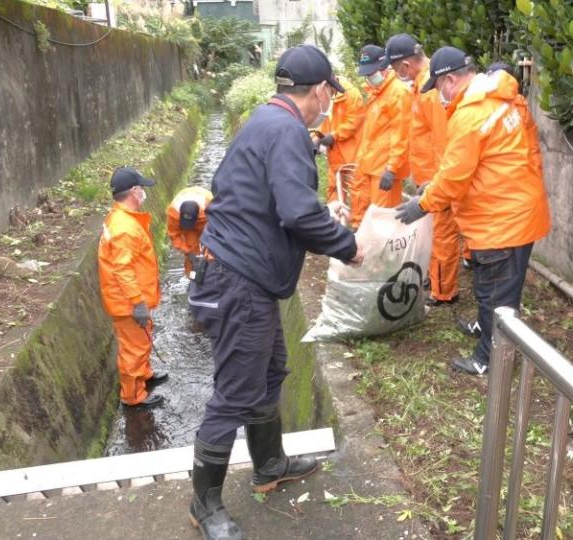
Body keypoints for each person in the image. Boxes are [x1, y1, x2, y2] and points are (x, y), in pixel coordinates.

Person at [185, 45, 364, 540]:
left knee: (271, 369)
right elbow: (298, 214)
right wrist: (347, 247)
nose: (331, 100)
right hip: (239, 281)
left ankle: (269, 464)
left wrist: (314, 218)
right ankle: (205, 505)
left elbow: (239, 188)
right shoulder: (286, 130)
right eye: (332, 91)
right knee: (235, 392)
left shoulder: (265, 120)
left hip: (244, 277)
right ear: (322, 89)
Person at [395, 47, 551, 376]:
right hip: (510, 211)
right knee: (488, 285)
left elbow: (454, 176)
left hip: (502, 222)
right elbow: (468, 164)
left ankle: (489, 361)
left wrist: (421, 205)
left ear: (450, 80)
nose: (438, 97)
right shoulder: (502, 99)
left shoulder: (471, 114)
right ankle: (484, 328)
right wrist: (431, 188)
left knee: (498, 296)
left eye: (438, 88)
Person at [385, 33, 460, 307]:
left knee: (442, 236)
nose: (395, 75)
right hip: (430, 178)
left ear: (405, 65)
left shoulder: (431, 91)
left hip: (436, 180)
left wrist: (434, 183)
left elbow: (444, 139)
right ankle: (436, 280)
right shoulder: (423, 86)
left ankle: (444, 291)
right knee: (434, 234)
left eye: (395, 70)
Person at [97, 167, 168, 408]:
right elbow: (123, 269)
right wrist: (137, 302)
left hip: (131, 299)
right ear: (134, 192)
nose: (144, 193)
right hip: (128, 303)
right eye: (142, 189)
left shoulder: (121, 218)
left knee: (141, 340)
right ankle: (133, 397)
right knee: (133, 349)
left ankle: (144, 375)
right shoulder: (124, 228)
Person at [349, 44, 411, 227]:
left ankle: (384, 256)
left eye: (372, 72)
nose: (369, 77)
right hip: (368, 165)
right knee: (364, 218)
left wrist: (391, 169)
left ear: (384, 67)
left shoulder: (398, 92)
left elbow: (401, 134)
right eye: (366, 74)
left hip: (384, 172)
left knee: (383, 223)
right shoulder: (376, 93)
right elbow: (372, 134)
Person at [316, 74, 366, 223]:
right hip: (335, 155)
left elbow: (354, 122)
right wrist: (317, 137)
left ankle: (358, 225)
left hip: (352, 153)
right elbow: (324, 122)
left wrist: (334, 136)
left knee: (356, 190)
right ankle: (335, 223)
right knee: (333, 188)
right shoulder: (326, 98)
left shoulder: (352, 95)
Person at [167, 185, 212, 278]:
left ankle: (212, 275)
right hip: (186, 220)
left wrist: (210, 250)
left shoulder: (210, 204)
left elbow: (217, 229)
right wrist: (187, 251)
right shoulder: (173, 211)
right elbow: (174, 235)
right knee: (191, 248)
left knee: (212, 251)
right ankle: (193, 278)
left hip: (207, 221)